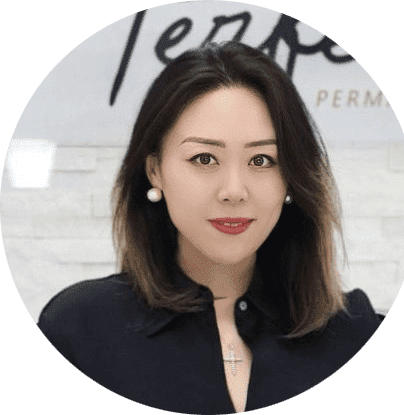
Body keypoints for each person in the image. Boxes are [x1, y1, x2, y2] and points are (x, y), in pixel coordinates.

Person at [37, 41, 384, 414]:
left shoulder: (360, 336)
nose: (234, 191)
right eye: (204, 158)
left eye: (262, 160)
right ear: (155, 171)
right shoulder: (80, 330)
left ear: (291, 178)